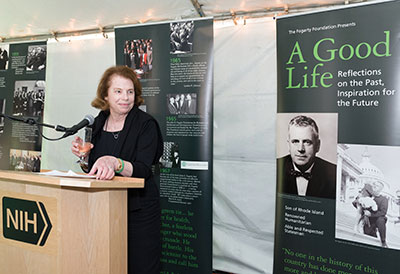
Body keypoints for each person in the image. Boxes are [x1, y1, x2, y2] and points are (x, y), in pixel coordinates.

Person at [71, 66, 163, 273]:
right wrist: (84, 156)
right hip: (104, 209)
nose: (126, 98)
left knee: (141, 267)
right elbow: (91, 169)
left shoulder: (146, 124)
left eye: (130, 92)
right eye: (118, 91)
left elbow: (143, 169)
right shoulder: (97, 122)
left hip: (139, 211)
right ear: (105, 94)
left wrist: (115, 163)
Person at [277, 115, 336, 199]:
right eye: (295, 141)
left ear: (318, 146)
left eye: (307, 142)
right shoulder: (274, 168)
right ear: (288, 145)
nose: (300, 149)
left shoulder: (333, 173)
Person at [363, 181, 388, 248]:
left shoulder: (384, 199)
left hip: (378, 219)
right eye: (374, 185)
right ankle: (373, 232)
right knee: (368, 234)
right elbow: (356, 203)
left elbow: (383, 212)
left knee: (381, 219)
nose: (374, 186)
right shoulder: (367, 196)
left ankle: (383, 241)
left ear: (380, 189)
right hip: (369, 220)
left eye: (376, 186)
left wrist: (370, 214)